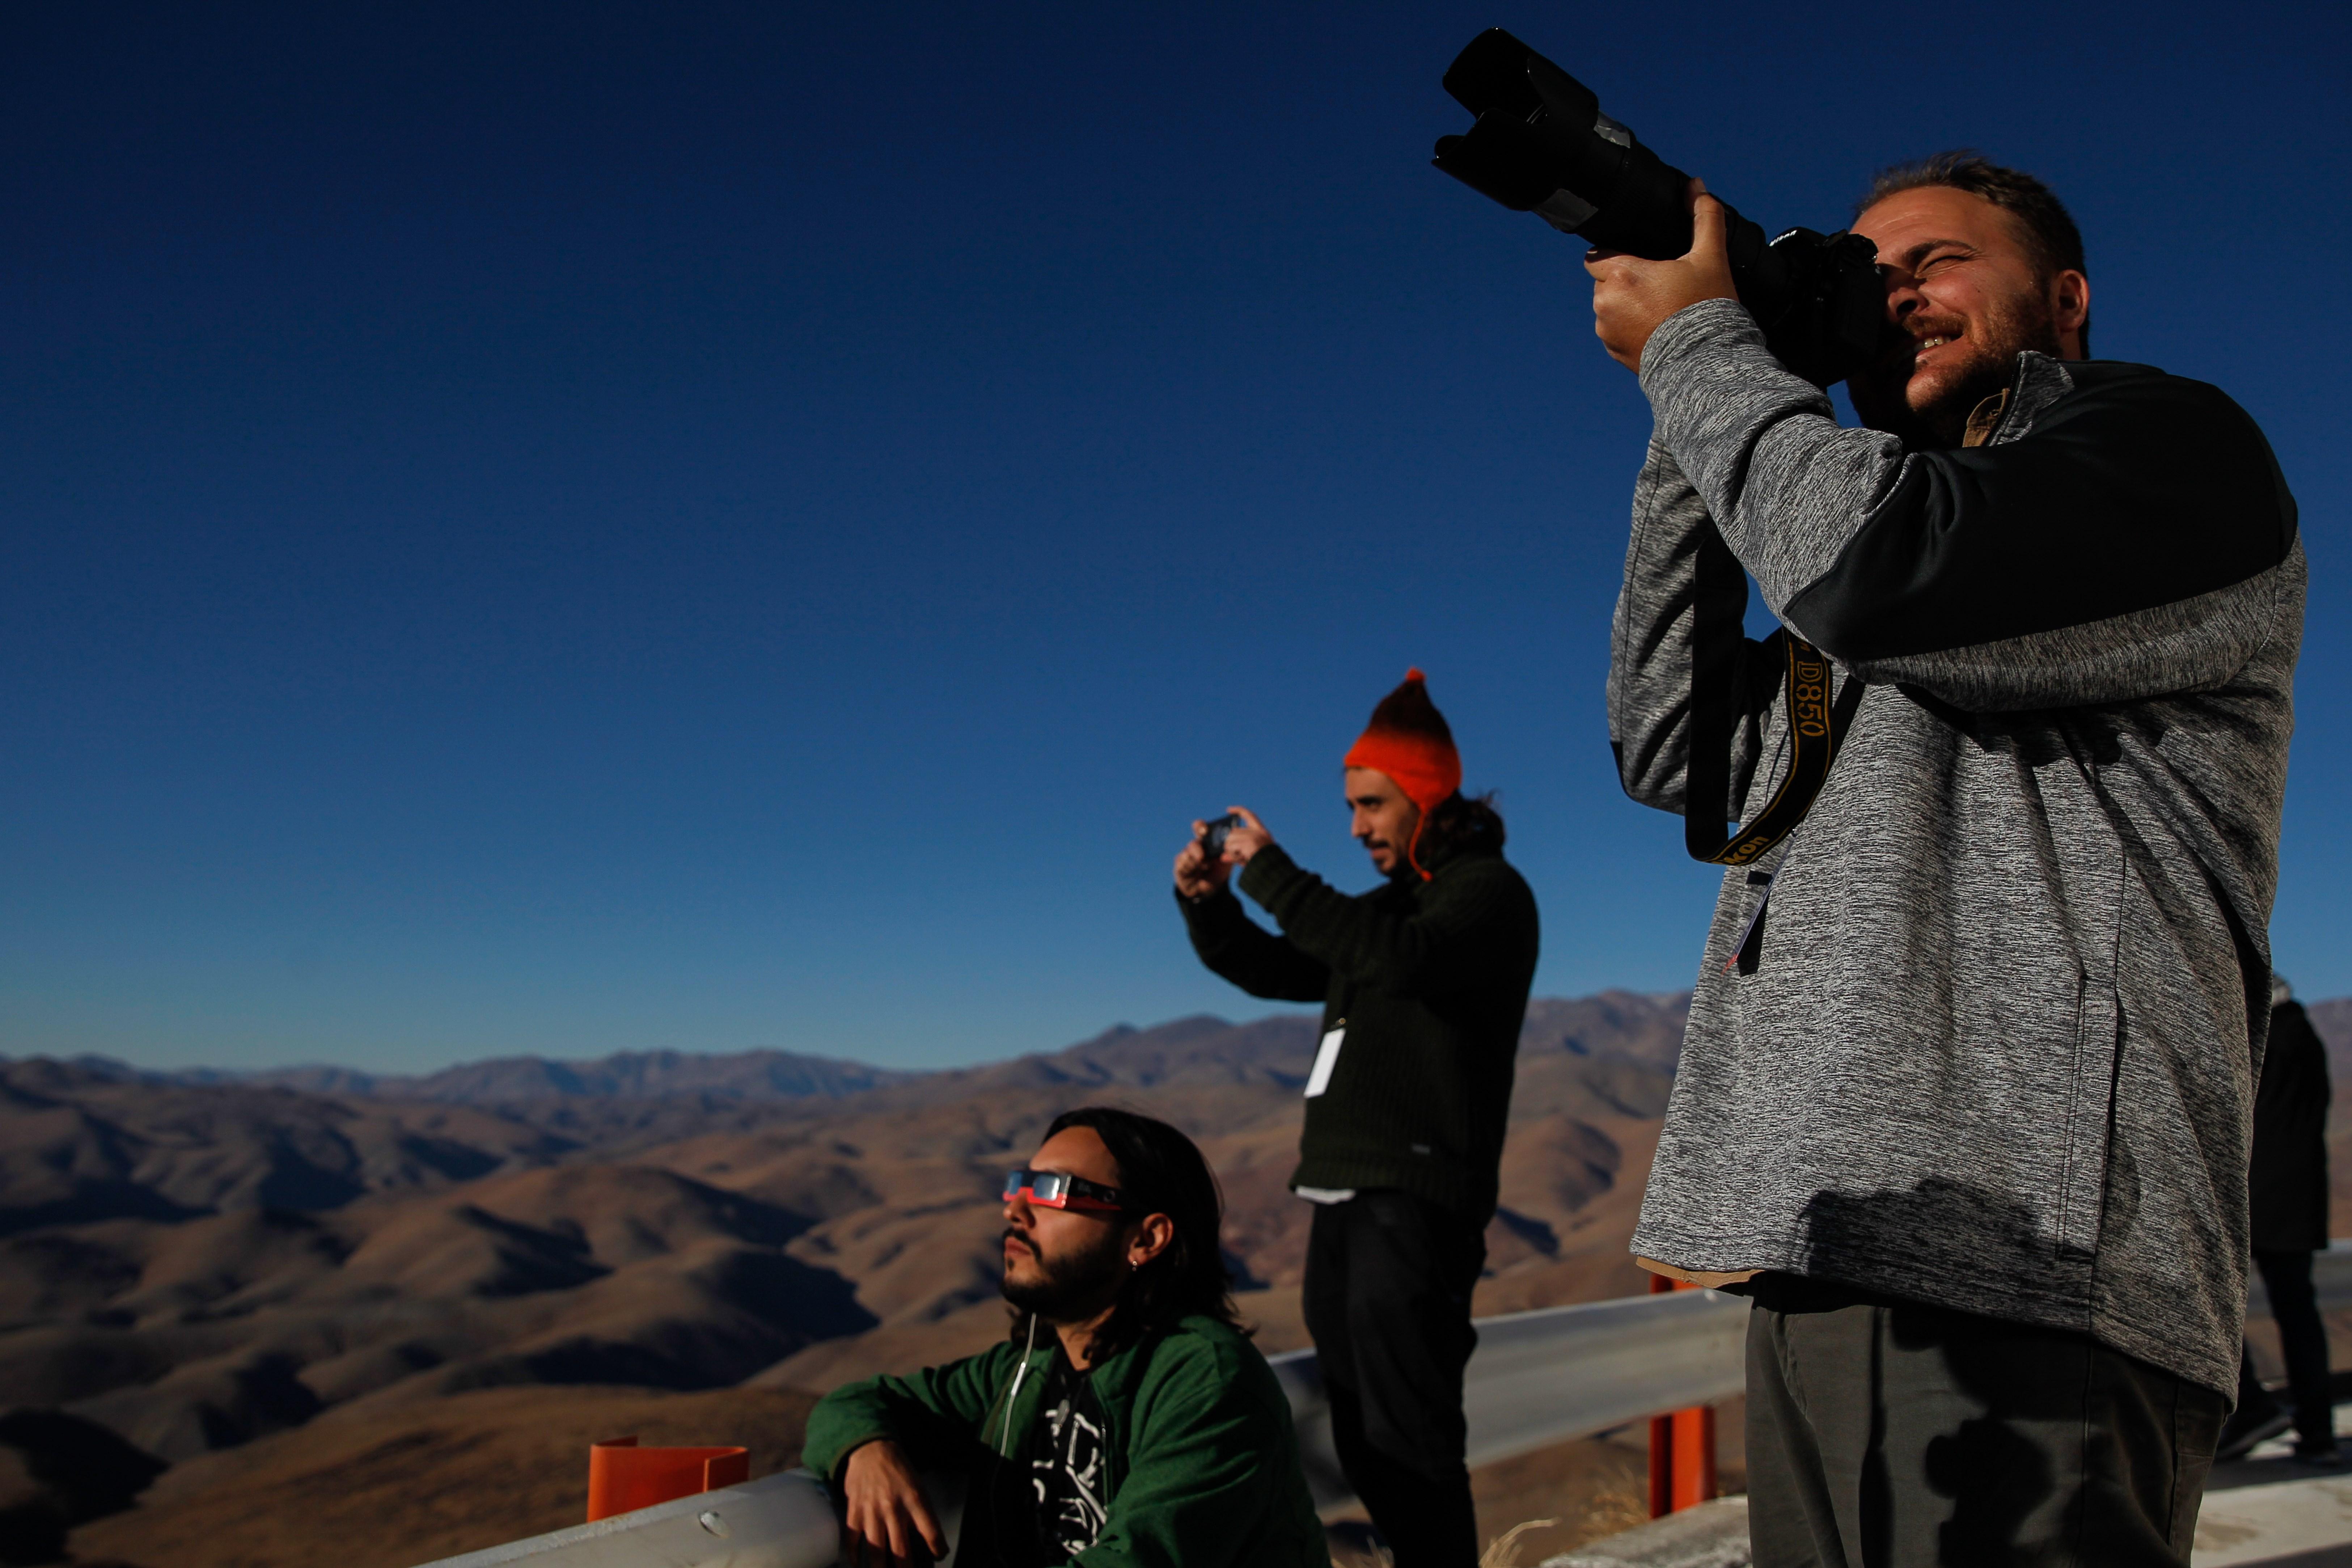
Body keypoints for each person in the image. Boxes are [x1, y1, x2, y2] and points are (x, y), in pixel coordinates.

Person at [1589, 152, 2303, 1566]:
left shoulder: (2163, 454)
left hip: (2046, 1274)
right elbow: (1676, 747)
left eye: (1934, 261)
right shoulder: (1861, 548)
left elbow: (1891, 572)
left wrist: (1700, 347)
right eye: (1867, 273)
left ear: (2064, 297)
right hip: (1821, 1242)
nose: (1893, 291)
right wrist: (1695, 410)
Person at [1173, 670, 1540, 1568]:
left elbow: (1399, 961)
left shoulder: (1486, 893)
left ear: (1425, 794)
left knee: (1411, 1441)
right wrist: (1210, 902)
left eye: (1372, 804)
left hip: (1412, 1202)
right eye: (1350, 806)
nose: (1357, 827)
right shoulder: (1379, 913)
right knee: (1367, 1442)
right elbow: (1278, 967)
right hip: (1342, 1197)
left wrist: (1268, 869)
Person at [804, 1107, 1329, 1568]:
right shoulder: (1023, 1371)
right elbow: (855, 1401)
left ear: (1146, 1238)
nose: (1014, 1209)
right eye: (1019, 1184)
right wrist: (866, 1450)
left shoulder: (1205, 1380)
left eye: (1055, 1191)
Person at [2220, 975, 2338, 1463]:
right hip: (2298, 1201)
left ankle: (2250, 1406)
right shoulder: (2307, 1038)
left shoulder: (2256, 1038)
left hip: (2251, 1194)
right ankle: (2319, 1431)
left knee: (2218, 1308)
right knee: (2299, 1314)